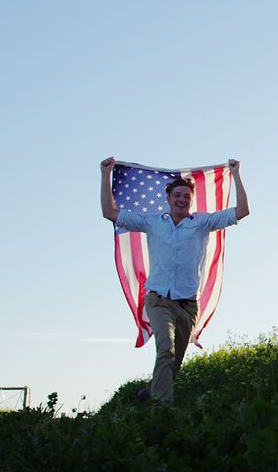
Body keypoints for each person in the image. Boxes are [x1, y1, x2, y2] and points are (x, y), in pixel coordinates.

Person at [100, 157, 250, 404]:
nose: (181, 199)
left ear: (190, 201)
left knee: (174, 362)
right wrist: (105, 175)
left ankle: (150, 392)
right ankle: (162, 414)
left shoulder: (202, 223)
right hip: (159, 300)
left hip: (188, 304)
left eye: (186, 196)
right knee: (166, 350)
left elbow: (242, 211)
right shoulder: (153, 223)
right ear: (168, 199)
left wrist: (236, 175)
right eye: (177, 195)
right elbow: (110, 213)